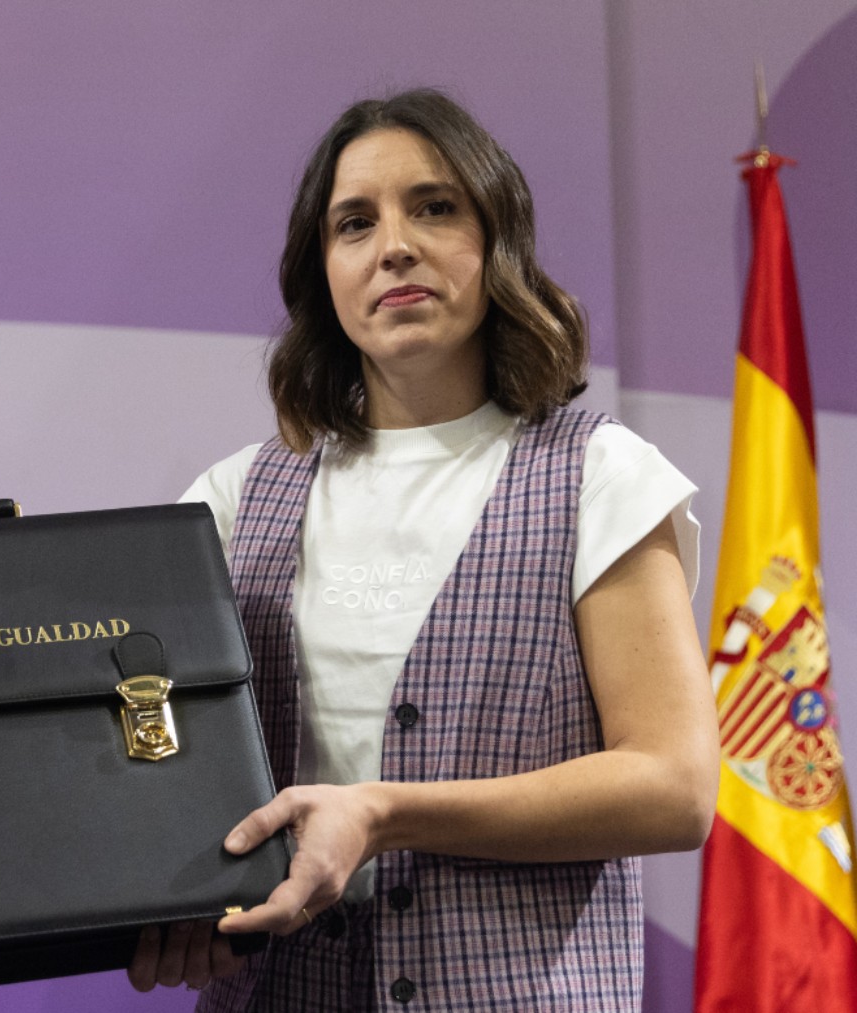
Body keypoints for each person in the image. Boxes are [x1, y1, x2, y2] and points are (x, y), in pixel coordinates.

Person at [127, 89, 718, 1010]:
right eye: (354, 223)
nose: (394, 244)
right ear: (322, 272)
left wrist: (385, 813)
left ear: (498, 242)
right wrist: (165, 901)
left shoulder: (601, 473)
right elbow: (163, 778)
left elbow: (674, 787)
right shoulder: (232, 499)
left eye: (434, 207)